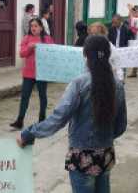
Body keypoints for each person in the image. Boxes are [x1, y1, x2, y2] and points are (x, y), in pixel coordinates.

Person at [18, 35, 127, 193]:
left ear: (85, 55)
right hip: (106, 155)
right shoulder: (117, 85)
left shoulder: (79, 83)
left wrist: (29, 133)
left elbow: (58, 118)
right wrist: (104, 138)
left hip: (82, 157)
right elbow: (121, 126)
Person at [10, 18, 54, 130]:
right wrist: (29, 47)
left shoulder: (47, 39)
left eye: (36, 26)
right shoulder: (27, 38)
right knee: (25, 96)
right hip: (28, 73)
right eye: (31, 26)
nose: (33, 28)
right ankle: (20, 120)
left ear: (41, 27)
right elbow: (21, 54)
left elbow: (52, 53)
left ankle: (42, 120)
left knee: (42, 96)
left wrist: (41, 46)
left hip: (42, 73)